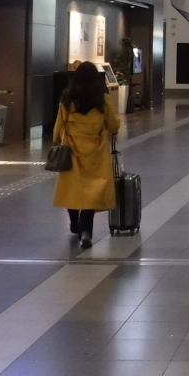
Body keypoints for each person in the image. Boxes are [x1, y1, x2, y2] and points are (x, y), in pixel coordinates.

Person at [51, 62, 120, 250]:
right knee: (92, 191)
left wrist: (56, 141)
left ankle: (74, 224)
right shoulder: (103, 100)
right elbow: (114, 125)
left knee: (73, 189)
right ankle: (85, 232)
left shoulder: (67, 100)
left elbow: (58, 126)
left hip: (72, 151)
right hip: (96, 154)